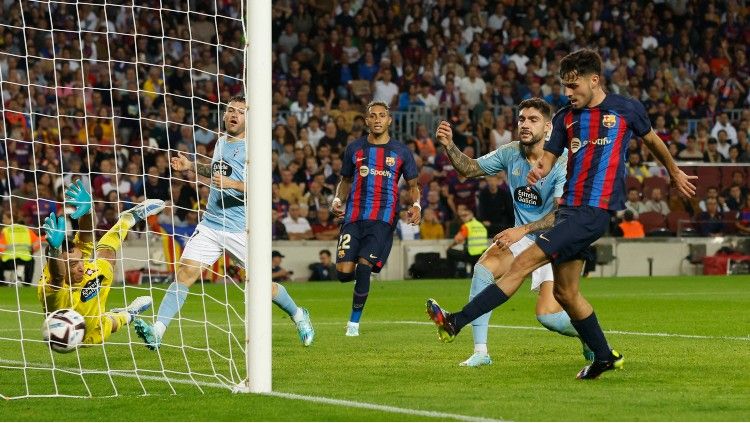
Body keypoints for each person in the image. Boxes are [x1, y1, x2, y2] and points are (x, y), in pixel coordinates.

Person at [426, 49, 696, 379]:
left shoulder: (626, 110)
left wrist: (673, 172)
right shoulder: (567, 118)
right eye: (565, 86)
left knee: (523, 263)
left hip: (592, 211)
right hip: (570, 211)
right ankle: (604, 356)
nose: (568, 93)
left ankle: (455, 322)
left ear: (594, 80)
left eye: (573, 85)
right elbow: (550, 157)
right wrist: (539, 170)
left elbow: (653, 142)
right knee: (566, 294)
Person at [134, 96, 315, 349]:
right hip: (211, 224)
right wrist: (190, 167)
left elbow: (263, 188)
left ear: (248, 118)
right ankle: (158, 330)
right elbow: (217, 170)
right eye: (230, 110)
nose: (234, 114)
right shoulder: (220, 142)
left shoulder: (255, 148)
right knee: (184, 273)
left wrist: (232, 185)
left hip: (241, 229)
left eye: (240, 112)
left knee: (263, 287)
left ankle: (298, 315)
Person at [432, 97, 595, 367]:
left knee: (549, 317)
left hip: (557, 239)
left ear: (548, 127)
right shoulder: (510, 152)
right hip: (523, 239)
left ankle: (590, 336)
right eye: (521, 119)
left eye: (533, 120)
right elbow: (470, 168)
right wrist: (450, 147)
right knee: (484, 269)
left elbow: (560, 214)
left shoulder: (563, 162)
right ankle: (481, 352)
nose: (525, 125)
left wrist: (523, 229)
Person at [331, 100, 420, 337]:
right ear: (367, 120)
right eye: (373, 116)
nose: (378, 119)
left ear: (389, 120)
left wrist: (417, 205)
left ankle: (353, 324)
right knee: (342, 273)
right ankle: (360, 279)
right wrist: (337, 200)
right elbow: (346, 181)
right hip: (353, 217)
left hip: (382, 219)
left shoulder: (401, 151)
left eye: (382, 115)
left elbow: (413, 185)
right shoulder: (354, 149)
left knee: (363, 267)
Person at [37, 180, 156, 346]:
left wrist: (88, 209)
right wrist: (54, 250)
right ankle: (130, 313)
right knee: (111, 325)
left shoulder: (80, 264)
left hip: (88, 289)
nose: (80, 266)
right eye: (72, 265)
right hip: (75, 325)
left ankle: (128, 219)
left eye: (80, 261)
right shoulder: (50, 289)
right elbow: (58, 278)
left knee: (106, 256)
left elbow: (86, 234)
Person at [0, 211, 42, 285]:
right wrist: (31, 251)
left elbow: (1, 247)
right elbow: (37, 244)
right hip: (25, 259)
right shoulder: (27, 230)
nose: (2, 221)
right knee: (32, 261)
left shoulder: (5, 231)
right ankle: (27, 284)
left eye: (4, 219)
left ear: (11, 219)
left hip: (9, 260)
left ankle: (2, 283)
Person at [446, 205, 487, 278]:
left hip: (471, 255)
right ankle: (471, 272)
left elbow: (458, 239)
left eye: (465, 215)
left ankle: (452, 274)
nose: (463, 218)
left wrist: (450, 246)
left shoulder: (467, 226)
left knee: (449, 251)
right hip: (483, 254)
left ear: (471, 215)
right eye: (461, 216)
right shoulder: (481, 225)